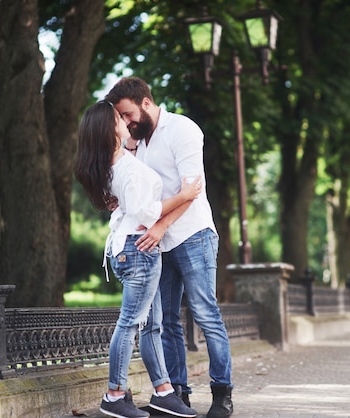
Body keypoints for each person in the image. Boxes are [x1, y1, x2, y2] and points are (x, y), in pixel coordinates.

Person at [106, 77, 234, 418]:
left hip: (192, 235)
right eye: (122, 117)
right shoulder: (138, 141)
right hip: (156, 244)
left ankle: (222, 394)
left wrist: (160, 226)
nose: (128, 121)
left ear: (145, 102)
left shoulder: (182, 130)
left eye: (128, 113)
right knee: (166, 323)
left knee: (206, 315)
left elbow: (192, 189)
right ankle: (177, 394)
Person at [74, 100, 201, 418]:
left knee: (152, 325)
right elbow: (146, 212)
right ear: (109, 129)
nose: (124, 120)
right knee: (131, 322)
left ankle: (163, 392)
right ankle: (115, 394)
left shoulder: (116, 163)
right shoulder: (127, 169)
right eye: (118, 118)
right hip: (139, 250)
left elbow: (130, 205)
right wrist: (183, 196)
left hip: (131, 249)